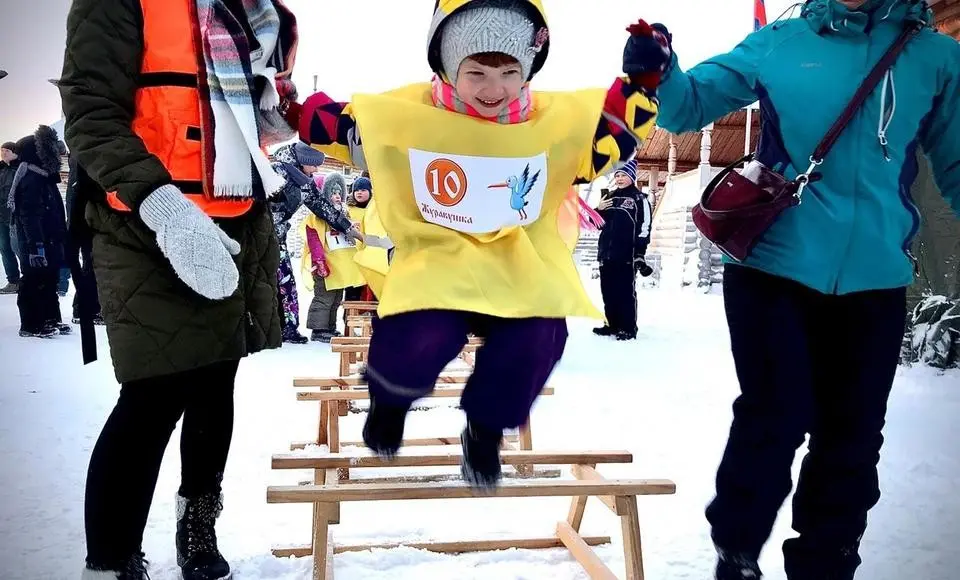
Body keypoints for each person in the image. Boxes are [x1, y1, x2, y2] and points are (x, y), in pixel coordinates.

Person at [287, 0, 669, 487]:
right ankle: (390, 396)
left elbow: (610, 136)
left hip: (518, 260)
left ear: (529, 67)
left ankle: (486, 428)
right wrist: (288, 104)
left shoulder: (549, 122)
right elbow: (341, 126)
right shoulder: (412, 113)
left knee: (539, 335)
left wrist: (643, 82)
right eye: (477, 73)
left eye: (510, 73)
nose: (494, 89)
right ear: (448, 66)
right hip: (439, 257)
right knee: (419, 329)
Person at [647, 1, 960, 578]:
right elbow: (687, 107)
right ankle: (737, 553)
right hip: (774, 268)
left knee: (852, 436)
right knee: (775, 414)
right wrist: (660, 71)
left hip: (875, 279)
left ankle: (826, 564)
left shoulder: (936, 57)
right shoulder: (780, 42)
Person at [59, 0, 302, 577]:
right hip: (143, 220)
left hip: (235, 217)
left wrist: (304, 114)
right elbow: (91, 113)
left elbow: (262, 115)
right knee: (154, 393)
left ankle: (198, 525)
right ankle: (111, 559)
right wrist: (161, 205)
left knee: (215, 384)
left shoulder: (259, 13)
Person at [270, 142, 354, 344]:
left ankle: (288, 328)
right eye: (314, 165)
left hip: (278, 237)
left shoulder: (305, 183)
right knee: (264, 283)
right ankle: (264, 330)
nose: (316, 170)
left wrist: (347, 227)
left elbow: (323, 207)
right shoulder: (276, 172)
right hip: (261, 235)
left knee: (286, 283)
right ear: (303, 161)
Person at [8, 127, 69, 338]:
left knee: (50, 277)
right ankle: (31, 324)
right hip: (34, 241)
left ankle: (51, 317)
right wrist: (36, 247)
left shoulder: (45, 177)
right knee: (33, 279)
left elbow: (55, 210)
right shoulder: (30, 179)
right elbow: (29, 216)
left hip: (50, 238)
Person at [593, 159, 653, 341]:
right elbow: (596, 224)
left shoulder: (639, 199)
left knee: (625, 293)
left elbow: (645, 227)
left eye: (623, 175)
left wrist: (639, 253)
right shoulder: (609, 197)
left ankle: (628, 328)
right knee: (608, 292)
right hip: (606, 254)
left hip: (626, 254)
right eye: (617, 175)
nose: (619, 178)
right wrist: (598, 209)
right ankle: (611, 325)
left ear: (632, 177)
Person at [302, 172, 360, 342]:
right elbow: (314, 241)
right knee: (324, 297)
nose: (337, 196)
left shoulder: (343, 216)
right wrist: (319, 261)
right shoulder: (316, 218)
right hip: (323, 264)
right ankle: (318, 329)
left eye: (339, 193)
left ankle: (330, 327)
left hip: (338, 267)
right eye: (333, 193)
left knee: (336, 298)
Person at [343, 176, 377, 303]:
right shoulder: (347, 210)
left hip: (371, 256)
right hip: (352, 256)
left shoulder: (375, 210)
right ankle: (349, 315)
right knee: (352, 292)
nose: (359, 193)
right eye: (356, 190)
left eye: (363, 190)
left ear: (370, 191)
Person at [0, 141, 21, 294]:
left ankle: (32, 279)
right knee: (5, 248)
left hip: (16, 217)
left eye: (7, 150)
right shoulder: (0, 169)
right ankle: (13, 281)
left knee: (20, 248)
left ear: (15, 152)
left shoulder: (20, 169)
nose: (3, 153)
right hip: (1, 217)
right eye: (2, 150)